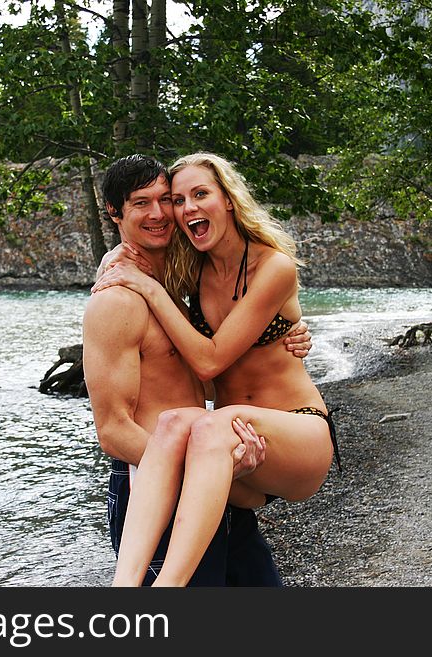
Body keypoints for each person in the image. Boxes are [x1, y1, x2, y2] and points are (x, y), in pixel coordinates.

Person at [91, 152, 340, 587]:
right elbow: (114, 428)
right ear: (115, 213)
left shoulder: (237, 268)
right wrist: (117, 261)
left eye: (185, 197)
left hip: (274, 435)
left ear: (229, 199)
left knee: (198, 427)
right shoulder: (173, 277)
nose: (175, 210)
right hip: (210, 461)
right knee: (178, 423)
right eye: (175, 199)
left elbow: (207, 360)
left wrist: (294, 329)